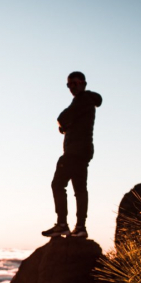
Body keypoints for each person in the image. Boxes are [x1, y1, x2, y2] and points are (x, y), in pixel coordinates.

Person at [42, 71, 102, 238]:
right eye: (69, 85)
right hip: (84, 152)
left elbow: (63, 117)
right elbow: (69, 118)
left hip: (75, 151)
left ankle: (62, 225)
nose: (72, 87)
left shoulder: (83, 100)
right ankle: (80, 227)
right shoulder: (87, 102)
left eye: (74, 83)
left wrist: (64, 125)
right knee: (80, 189)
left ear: (83, 83)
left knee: (58, 184)